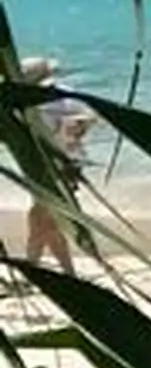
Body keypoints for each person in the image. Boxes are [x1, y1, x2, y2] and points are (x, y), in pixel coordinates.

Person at [20, 55, 97, 265]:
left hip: (62, 164)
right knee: (48, 220)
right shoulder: (37, 100)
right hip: (45, 164)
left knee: (41, 218)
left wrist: (74, 129)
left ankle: (34, 266)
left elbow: (89, 118)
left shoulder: (59, 95)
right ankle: (63, 270)